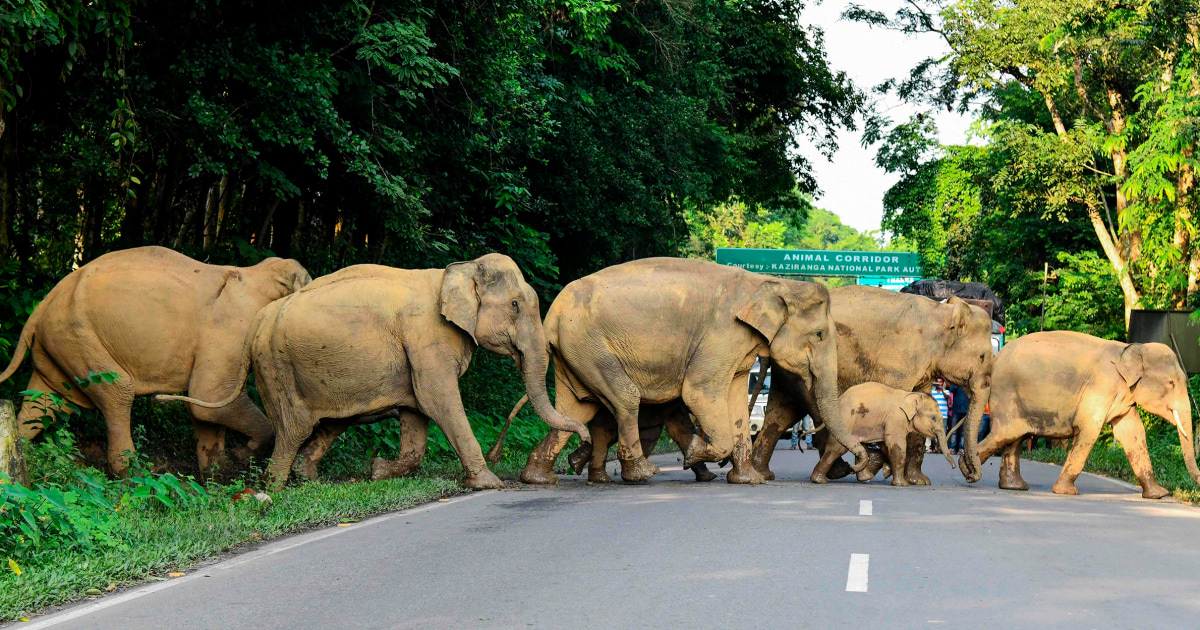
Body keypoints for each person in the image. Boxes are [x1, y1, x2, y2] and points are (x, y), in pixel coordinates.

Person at [946, 381, 970, 455]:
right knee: (954, 430)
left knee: (963, 431)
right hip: (956, 410)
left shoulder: (969, 384)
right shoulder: (957, 383)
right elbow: (951, 389)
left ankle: (961, 448)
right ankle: (952, 448)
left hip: (966, 410)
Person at [930, 378, 950, 454]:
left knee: (943, 432)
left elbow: (948, 397)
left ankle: (942, 447)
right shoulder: (932, 392)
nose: (939, 384)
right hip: (934, 415)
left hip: (943, 415)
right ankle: (936, 446)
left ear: (943, 383)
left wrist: (942, 391)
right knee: (933, 431)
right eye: (937, 382)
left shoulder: (946, 391)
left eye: (940, 382)